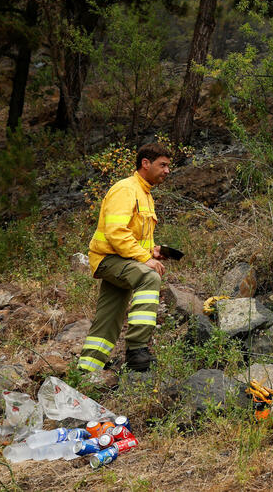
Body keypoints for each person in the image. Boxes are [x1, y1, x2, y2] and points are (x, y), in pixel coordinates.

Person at [77, 143, 173, 374]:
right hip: (109, 259)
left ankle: (87, 369)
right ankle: (137, 349)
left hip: (122, 259)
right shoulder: (125, 189)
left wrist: (151, 252)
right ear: (145, 163)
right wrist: (145, 259)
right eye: (163, 165)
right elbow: (116, 231)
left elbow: (131, 235)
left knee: (109, 316)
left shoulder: (145, 194)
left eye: (168, 166)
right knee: (149, 277)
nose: (167, 170)